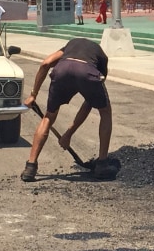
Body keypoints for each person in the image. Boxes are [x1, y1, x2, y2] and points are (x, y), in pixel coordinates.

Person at [21, 37, 117, 182]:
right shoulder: (101, 56)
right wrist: (69, 134)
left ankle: (30, 167)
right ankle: (102, 164)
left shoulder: (69, 46)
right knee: (105, 112)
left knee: (48, 117)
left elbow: (45, 63)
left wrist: (33, 95)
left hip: (62, 70)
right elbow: (89, 103)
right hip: (86, 72)